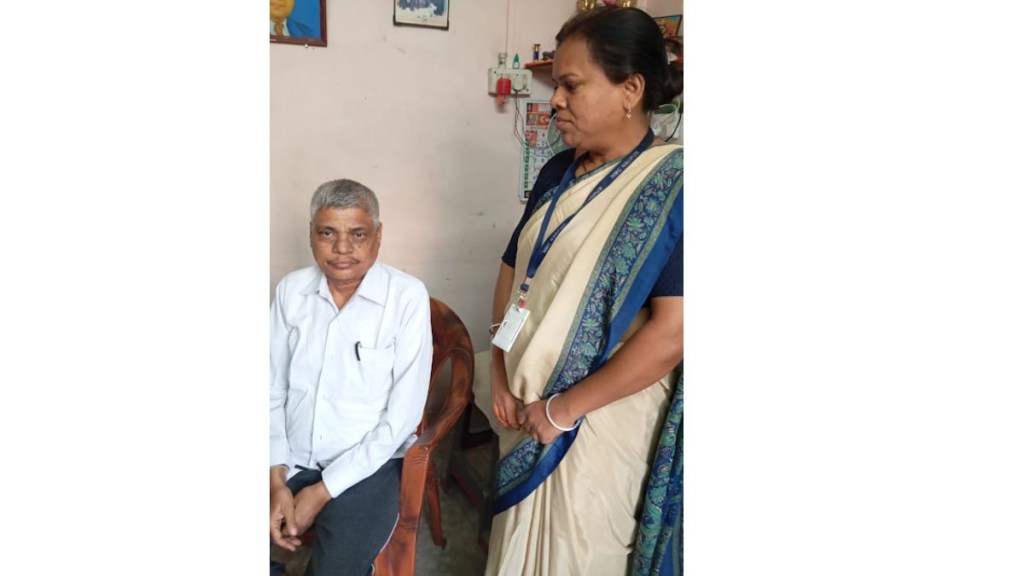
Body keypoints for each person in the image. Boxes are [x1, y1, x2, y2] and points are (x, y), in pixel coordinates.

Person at [484, 7, 684, 576]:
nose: (555, 101)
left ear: (631, 90)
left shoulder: (674, 188)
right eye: (556, 86)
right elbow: (513, 267)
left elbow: (673, 333)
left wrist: (563, 410)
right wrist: (498, 366)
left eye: (571, 85)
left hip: (597, 422)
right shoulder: (557, 172)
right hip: (523, 408)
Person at [268, 179, 432, 576]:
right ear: (311, 234)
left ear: (378, 236)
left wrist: (321, 491)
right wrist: (275, 477)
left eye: (357, 234)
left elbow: (401, 420)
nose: (342, 248)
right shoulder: (291, 291)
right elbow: (271, 389)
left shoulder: (406, 298)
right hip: (291, 455)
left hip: (367, 466)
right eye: (328, 233)